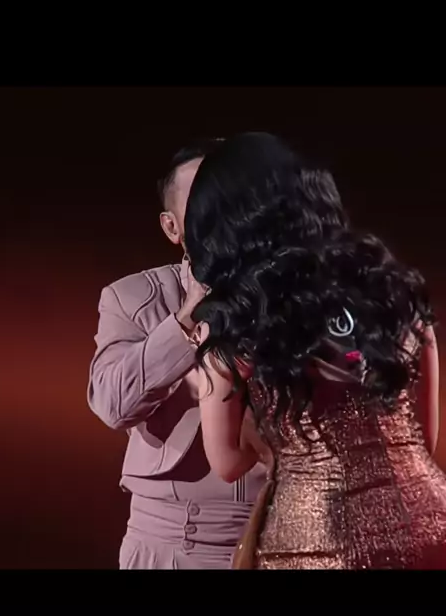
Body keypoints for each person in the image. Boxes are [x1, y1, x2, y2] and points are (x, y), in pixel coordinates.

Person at [184, 131, 446, 569]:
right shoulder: (393, 292)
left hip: (313, 545)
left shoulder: (235, 320)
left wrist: (265, 428)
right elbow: (425, 438)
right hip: (433, 529)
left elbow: (227, 463)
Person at [87, 139, 268, 569]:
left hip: (276, 535)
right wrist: (187, 317)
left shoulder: (297, 299)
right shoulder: (133, 298)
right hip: (167, 544)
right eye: (203, 202)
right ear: (172, 228)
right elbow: (113, 405)